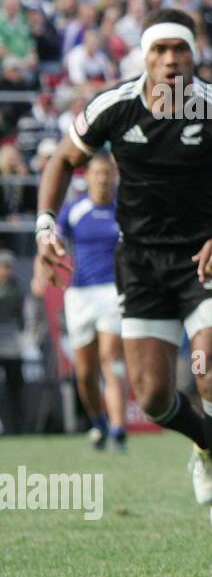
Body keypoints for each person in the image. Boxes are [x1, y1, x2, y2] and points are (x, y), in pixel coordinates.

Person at [36, 8, 212, 531]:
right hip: (142, 263)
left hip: (205, 256)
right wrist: (44, 227)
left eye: (181, 49)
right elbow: (61, 161)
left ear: (194, 56)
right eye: (160, 50)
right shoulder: (114, 105)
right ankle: (203, 441)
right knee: (150, 398)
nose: (171, 59)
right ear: (144, 57)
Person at [42, 154, 128, 450]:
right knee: (84, 371)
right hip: (79, 295)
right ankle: (98, 421)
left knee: (111, 358)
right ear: (88, 177)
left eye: (108, 173)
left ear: (115, 177)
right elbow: (54, 240)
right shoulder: (74, 210)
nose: (103, 179)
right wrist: (46, 266)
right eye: (98, 173)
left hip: (113, 293)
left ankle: (119, 429)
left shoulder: (124, 211)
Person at [0, 251, 25, 434]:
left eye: (9, 267)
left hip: (11, 341)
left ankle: (17, 427)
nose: (7, 271)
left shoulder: (17, 287)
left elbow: (20, 315)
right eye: (4, 266)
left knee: (15, 384)